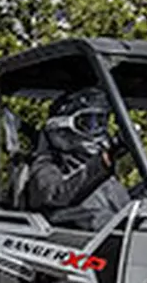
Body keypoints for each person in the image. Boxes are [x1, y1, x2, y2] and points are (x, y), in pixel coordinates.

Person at [25, 86, 131, 229]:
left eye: (101, 122)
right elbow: (55, 195)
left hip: (119, 242)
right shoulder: (46, 165)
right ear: (61, 129)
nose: (98, 131)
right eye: (90, 123)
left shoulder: (97, 171)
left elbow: (126, 209)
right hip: (75, 244)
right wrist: (104, 160)